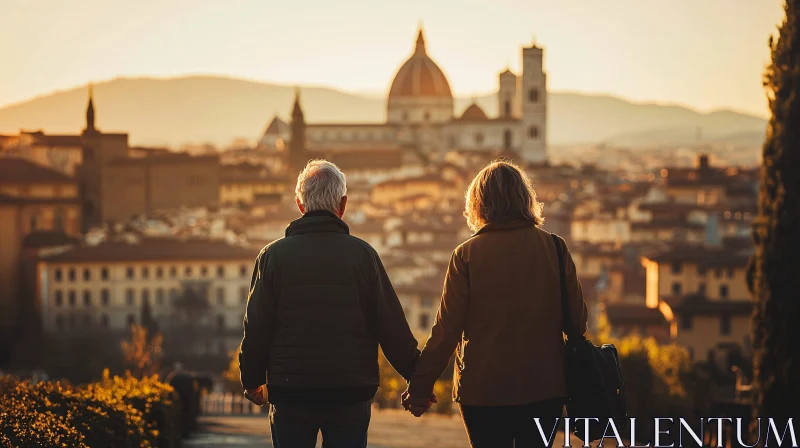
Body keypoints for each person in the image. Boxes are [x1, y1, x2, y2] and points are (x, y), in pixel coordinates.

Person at [403, 160, 588, 448]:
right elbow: (577, 322)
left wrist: (420, 387)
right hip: (545, 387)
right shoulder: (555, 247)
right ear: (525, 199)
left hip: (482, 391)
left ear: (478, 204)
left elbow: (446, 331)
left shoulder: (466, 255)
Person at [239, 159, 424, 448]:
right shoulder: (364, 256)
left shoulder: (272, 257)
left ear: (300, 204)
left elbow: (257, 327)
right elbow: (390, 325)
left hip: (291, 391)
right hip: (349, 390)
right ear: (343, 204)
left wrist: (251, 379)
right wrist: (418, 378)